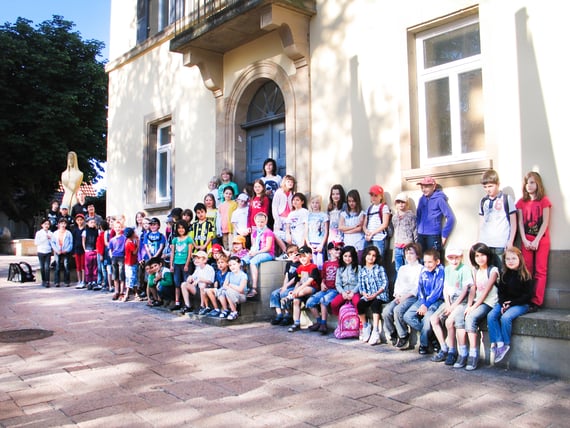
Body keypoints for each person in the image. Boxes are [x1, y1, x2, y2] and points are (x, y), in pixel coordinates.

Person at [454, 243, 499, 371]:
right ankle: (463, 352)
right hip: (475, 302)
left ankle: (474, 354)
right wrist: (469, 305)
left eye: (482, 255)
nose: (480, 258)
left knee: (470, 318)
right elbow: (473, 290)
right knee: (459, 316)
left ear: (488, 255)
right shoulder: (474, 271)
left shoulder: (493, 270)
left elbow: (486, 292)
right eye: (477, 256)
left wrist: (473, 308)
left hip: (488, 303)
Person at [487, 247, 533, 364]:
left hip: (521, 304)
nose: (511, 261)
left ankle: (506, 343)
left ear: (520, 259)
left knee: (506, 318)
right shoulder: (504, 274)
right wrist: (503, 304)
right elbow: (501, 293)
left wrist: (511, 304)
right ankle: (499, 342)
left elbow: (527, 296)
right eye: (508, 259)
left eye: (513, 258)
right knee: (491, 315)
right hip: (505, 302)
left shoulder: (525, 275)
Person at [429, 248, 472, 365]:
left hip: (460, 302)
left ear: (461, 257)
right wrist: (448, 304)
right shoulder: (447, 270)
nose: (454, 261)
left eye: (457, 257)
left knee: (449, 322)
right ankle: (444, 348)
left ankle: (452, 351)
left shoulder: (465, 269)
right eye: (451, 258)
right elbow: (445, 289)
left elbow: (464, 291)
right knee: (434, 319)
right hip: (449, 301)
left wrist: (452, 307)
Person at [516, 171, 551, 311]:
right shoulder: (521, 202)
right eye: (526, 183)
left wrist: (536, 240)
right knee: (527, 270)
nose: (529, 186)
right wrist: (524, 239)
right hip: (527, 241)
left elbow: (545, 223)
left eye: (532, 182)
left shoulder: (544, 201)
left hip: (541, 240)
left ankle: (537, 302)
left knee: (540, 271)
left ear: (538, 184)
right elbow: (520, 223)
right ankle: (527, 299)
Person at [402, 248, 445, 354]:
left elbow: (437, 292)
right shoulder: (424, 270)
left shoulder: (441, 271)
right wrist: (422, 303)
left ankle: (424, 345)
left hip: (436, 301)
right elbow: (420, 288)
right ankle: (432, 337)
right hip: (423, 300)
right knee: (407, 316)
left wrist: (426, 305)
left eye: (430, 262)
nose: (427, 264)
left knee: (427, 320)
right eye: (425, 262)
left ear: (437, 262)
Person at [383, 243, 423, 348]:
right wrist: (397, 295)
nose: (409, 256)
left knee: (398, 310)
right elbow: (398, 283)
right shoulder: (403, 268)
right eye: (406, 253)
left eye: (411, 253)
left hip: (412, 297)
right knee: (386, 311)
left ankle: (403, 335)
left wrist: (405, 297)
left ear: (417, 255)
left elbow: (417, 287)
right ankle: (393, 333)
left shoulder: (421, 268)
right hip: (400, 296)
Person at [478, 169, 517, 269]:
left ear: (498, 184)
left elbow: (513, 222)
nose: (488, 189)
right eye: (485, 187)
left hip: (501, 242)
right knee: (488, 272)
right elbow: (481, 222)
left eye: (490, 186)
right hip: (486, 243)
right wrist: (479, 241)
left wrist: (510, 241)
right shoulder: (483, 201)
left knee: (501, 271)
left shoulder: (506, 199)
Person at [306, 241, 342, 334]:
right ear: (330, 251)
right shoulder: (326, 263)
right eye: (336, 249)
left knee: (323, 300)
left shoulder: (341, 263)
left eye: (340, 249)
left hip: (335, 290)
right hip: (325, 289)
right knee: (310, 302)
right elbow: (323, 276)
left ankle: (323, 324)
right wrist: (322, 283)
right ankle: (318, 321)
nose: (339, 251)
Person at [356, 245, 390, 345]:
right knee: (360, 304)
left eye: (373, 255)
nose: (371, 257)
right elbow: (361, 286)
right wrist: (364, 294)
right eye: (369, 254)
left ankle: (375, 331)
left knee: (375, 304)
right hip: (368, 295)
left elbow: (385, 284)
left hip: (380, 295)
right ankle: (366, 326)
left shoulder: (380, 269)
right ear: (365, 256)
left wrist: (375, 294)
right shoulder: (362, 270)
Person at [416, 176, 455, 253]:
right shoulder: (421, 199)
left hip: (433, 235)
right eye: (422, 187)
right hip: (421, 234)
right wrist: (418, 229)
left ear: (433, 186)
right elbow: (418, 216)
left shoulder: (439, 199)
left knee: (433, 258)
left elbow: (450, 218)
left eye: (426, 187)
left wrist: (444, 235)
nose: (424, 189)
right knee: (421, 259)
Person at [287, 246, 321, 332]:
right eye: (300, 256)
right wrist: (294, 291)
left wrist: (297, 292)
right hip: (301, 289)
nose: (302, 258)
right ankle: (296, 323)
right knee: (296, 301)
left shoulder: (313, 267)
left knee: (303, 291)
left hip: (312, 288)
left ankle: (319, 321)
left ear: (310, 256)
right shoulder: (300, 268)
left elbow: (308, 282)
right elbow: (299, 281)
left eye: (304, 256)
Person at [329, 246, 361, 334]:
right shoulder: (340, 269)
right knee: (334, 303)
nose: (347, 258)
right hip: (344, 292)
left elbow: (360, 282)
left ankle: (360, 324)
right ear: (342, 257)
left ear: (353, 257)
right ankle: (341, 321)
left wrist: (353, 292)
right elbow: (337, 284)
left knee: (358, 303)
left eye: (350, 256)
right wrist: (343, 292)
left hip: (354, 292)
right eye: (345, 256)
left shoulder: (358, 268)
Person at [242, 212, 275, 298]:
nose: (260, 224)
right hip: (256, 252)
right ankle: (243, 287)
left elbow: (268, 247)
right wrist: (251, 252)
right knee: (241, 261)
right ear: (255, 222)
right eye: (258, 222)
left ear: (265, 222)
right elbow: (253, 246)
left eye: (262, 222)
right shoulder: (255, 233)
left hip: (267, 253)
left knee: (253, 261)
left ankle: (254, 288)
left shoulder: (268, 232)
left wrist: (255, 253)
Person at [269, 244, 301, 326]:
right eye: (291, 254)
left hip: (295, 286)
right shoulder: (289, 264)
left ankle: (287, 315)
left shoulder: (300, 264)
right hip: (288, 285)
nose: (294, 255)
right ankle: (279, 315)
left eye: (296, 253)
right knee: (274, 293)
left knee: (284, 294)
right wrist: (283, 286)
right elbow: (286, 276)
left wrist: (286, 287)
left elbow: (296, 279)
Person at [169, 220, 194, 310]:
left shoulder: (188, 239)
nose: (181, 229)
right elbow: (172, 253)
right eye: (179, 228)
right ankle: (177, 302)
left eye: (183, 227)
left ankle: (186, 303)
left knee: (185, 282)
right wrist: (171, 265)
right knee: (177, 284)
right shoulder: (175, 240)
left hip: (185, 264)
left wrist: (187, 264)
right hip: (176, 264)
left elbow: (189, 253)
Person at [363, 184, 391, 260]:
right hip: (368, 237)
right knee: (366, 259)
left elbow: (385, 224)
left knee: (378, 259)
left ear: (381, 196)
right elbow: (364, 224)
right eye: (372, 195)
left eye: (376, 195)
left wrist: (372, 233)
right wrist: (366, 231)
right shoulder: (369, 208)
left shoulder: (384, 207)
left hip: (379, 238)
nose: (373, 197)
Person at [391, 192, 417, 272]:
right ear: (396, 204)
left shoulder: (411, 216)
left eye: (403, 202)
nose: (401, 204)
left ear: (407, 203)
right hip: (398, 246)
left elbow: (415, 230)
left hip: (408, 246)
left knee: (409, 268)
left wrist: (416, 245)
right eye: (398, 202)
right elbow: (394, 229)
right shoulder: (394, 217)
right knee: (398, 269)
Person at [216, 256, 248, 320]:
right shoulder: (229, 274)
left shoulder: (243, 275)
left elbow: (240, 289)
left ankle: (234, 312)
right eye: (230, 265)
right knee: (221, 290)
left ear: (239, 264)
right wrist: (231, 287)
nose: (232, 267)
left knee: (228, 291)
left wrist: (230, 285)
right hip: (232, 293)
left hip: (241, 296)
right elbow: (225, 285)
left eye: (234, 264)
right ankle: (225, 310)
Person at [272, 174, 296, 254]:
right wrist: (276, 219)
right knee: (277, 234)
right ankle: (284, 251)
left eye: (292, 182)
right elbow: (274, 206)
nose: (290, 183)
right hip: (280, 217)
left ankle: (291, 252)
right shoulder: (279, 192)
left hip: (289, 218)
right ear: (284, 182)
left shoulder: (292, 193)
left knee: (288, 236)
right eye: (288, 181)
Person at [339, 189, 365, 261]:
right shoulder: (343, 214)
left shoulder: (361, 213)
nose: (351, 203)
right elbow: (340, 227)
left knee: (358, 263)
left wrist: (346, 230)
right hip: (347, 242)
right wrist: (354, 227)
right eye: (349, 201)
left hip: (358, 243)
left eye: (353, 201)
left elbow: (360, 228)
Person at [203, 254, 230, 318]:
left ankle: (224, 309)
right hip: (220, 290)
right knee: (206, 290)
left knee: (215, 291)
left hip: (226, 290)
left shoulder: (229, 273)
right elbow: (216, 284)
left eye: (222, 262)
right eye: (218, 263)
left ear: (227, 264)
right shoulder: (218, 273)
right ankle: (216, 309)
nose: (220, 264)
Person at [307, 195, 329, 269]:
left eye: (317, 203)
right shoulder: (308, 215)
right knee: (312, 265)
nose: (315, 204)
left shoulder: (323, 215)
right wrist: (309, 245)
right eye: (313, 203)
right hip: (311, 243)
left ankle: (320, 279)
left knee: (320, 265)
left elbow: (326, 231)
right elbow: (306, 231)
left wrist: (322, 245)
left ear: (320, 204)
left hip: (320, 243)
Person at [51, 217, 73, 287]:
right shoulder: (55, 233)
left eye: (64, 223)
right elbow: (53, 243)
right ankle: (57, 282)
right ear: (59, 224)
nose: (63, 225)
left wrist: (67, 250)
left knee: (66, 266)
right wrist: (56, 250)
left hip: (66, 251)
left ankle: (67, 281)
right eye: (61, 223)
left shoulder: (68, 233)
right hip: (57, 251)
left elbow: (71, 243)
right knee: (57, 266)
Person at [108, 220, 127, 301]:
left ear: (121, 228)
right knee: (115, 275)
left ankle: (122, 292)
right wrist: (111, 255)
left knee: (121, 275)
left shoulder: (124, 238)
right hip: (114, 258)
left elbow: (126, 247)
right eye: (116, 227)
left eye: (119, 227)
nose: (118, 229)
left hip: (121, 257)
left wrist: (125, 255)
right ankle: (116, 291)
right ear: (114, 228)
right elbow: (110, 248)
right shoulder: (112, 239)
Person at [35, 218, 53, 287]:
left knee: (47, 267)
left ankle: (47, 281)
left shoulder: (50, 233)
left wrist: (50, 239)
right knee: (42, 267)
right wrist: (45, 238)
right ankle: (43, 280)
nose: (47, 225)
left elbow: (52, 243)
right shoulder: (39, 233)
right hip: (41, 251)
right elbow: (36, 242)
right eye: (45, 224)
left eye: (48, 224)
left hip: (48, 251)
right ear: (42, 225)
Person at [82, 216, 100, 290]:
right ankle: (89, 281)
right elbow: (83, 241)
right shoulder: (85, 231)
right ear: (87, 223)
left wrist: (97, 249)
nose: (93, 224)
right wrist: (85, 249)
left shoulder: (97, 231)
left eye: (94, 222)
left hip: (95, 250)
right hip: (88, 251)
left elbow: (98, 240)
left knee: (95, 266)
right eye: (91, 222)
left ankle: (94, 281)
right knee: (88, 266)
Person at [123, 227, 139, 302]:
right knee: (131, 278)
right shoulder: (129, 243)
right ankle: (127, 294)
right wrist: (138, 245)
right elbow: (134, 252)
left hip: (130, 262)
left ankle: (136, 293)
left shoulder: (129, 241)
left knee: (133, 278)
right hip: (130, 263)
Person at [72, 213, 87, 288]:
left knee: (83, 266)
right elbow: (73, 241)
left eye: (81, 220)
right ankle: (79, 280)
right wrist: (73, 251)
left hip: (83, 250)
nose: (80, 221)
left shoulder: (85, 230)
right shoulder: (75, 230)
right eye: (78, 220)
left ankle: (84, 281)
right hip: (77, 250)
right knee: (78, 266)